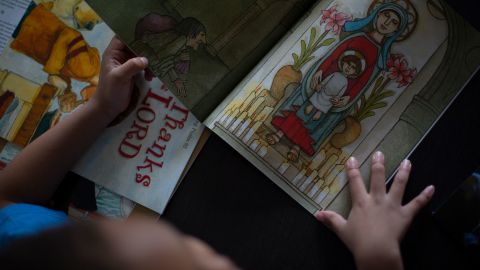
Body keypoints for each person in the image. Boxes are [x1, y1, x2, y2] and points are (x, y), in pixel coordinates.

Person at [0, 37, 433, 270]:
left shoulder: (13, 238)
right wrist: (379, 260)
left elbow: (8, 198)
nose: (203, 251)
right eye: (201, 261)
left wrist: (101, 108)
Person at [267, 3, 412, 161]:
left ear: (395, 32)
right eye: (386, 15)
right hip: (322, 83)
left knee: (316, 122)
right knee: (302, 110)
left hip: (337, 96)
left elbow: (363, 82)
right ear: (377, 15)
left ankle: (296, 148)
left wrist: (348, 98)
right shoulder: (357, 37)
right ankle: (280, 133)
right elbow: (334, 55)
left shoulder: (378, 55)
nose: (387, 22)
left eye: (394, 22)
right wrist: (320, 70)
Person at [305, 51, 366, 121]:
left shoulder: (345, 82)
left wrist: (337, 98)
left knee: (329, 103)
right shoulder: (336, 74)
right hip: (323, 90)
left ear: (354, 72)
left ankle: (320, 112)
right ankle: (312, 105)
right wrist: (321, 85)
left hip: (330, 97)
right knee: (317, 94)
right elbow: (326, 80)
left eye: (353, 67)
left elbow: (341, 92)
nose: (349, 68)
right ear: (343, 63)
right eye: (348, 64)